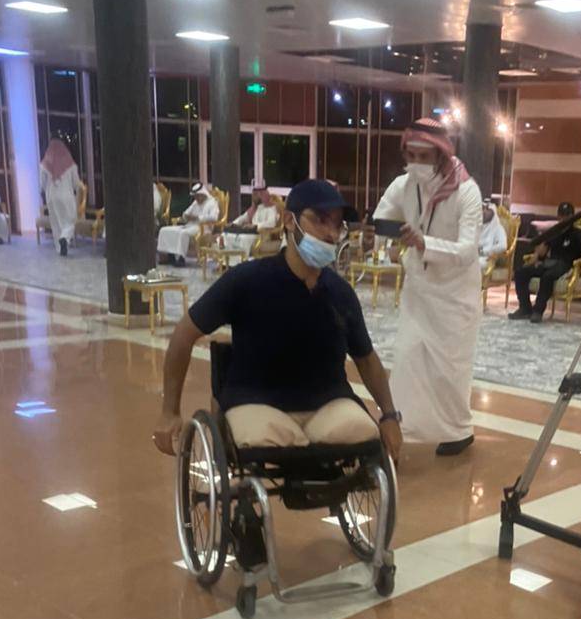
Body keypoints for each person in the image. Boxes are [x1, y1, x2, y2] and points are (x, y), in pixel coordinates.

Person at [153, 179, 402, 466]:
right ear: (289, 221)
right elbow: (184, 334)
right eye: (320, 220)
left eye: (337, 225)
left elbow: (366, 359)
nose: (331, 233)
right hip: (256, 399)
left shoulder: (340, 293)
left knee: (364, 433)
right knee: (275, 440)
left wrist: (389, 415)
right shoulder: (247, 281)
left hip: (329, 401)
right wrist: (169, 411)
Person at [373, 117, 483, 456]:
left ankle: (458, 431)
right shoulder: (404, 185)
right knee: (407, 358)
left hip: (455, 294)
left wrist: (424, 242)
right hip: (418, 291)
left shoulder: (467, 192)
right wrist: (390, 238)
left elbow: (467, 250)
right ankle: (399, 428)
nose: (416, 163)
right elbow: (382, 218)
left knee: (449, 371)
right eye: (411, 156)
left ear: (441, 155)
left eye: (424, 157)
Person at [511, 202, 581, 323]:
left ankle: (538, 311)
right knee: (521, 272)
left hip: (566, 264)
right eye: (562, 215)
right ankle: (525, 308)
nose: (564, 218)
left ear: (572, 216)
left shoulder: (578, 234)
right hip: (549, 262)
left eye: (567, 216)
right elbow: (542, 249)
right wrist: (533, 259)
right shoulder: (554, 232)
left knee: (548, 276)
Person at [157, 182, 220, 266]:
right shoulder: (196, 203)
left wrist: (198, 218)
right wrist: (186, 216)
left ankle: (181, 258)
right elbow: (186, 213)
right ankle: (169, 256)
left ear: (203, 194)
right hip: (189, 225)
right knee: (164, 230)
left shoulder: (212, 203)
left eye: (198, 196)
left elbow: (214, 217)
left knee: (183, 233)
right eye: (195, 196)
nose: (196, 198)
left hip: (203, 228)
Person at [39, 138, 82, 257]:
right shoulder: (71, 165)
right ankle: (65, 238)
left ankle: (60, 248)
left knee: (56, 223)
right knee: (70, 220)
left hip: (51, 197)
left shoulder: (44, 165)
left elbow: (42, 184)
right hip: (66, 196)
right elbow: (76, 183)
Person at [219, 183, 280, 257]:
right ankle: (227, 260)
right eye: (253, 195)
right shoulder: (255, 208)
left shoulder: (271, 208)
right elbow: (243, 217)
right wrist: (233, 223)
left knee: (244, 238)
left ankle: (243, 260)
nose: (253, 197)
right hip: (252, 233)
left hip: (263, 235)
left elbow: (271, 223)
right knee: (227, 235)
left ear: (262, 196)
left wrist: (255, 226)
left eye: (255, 195)